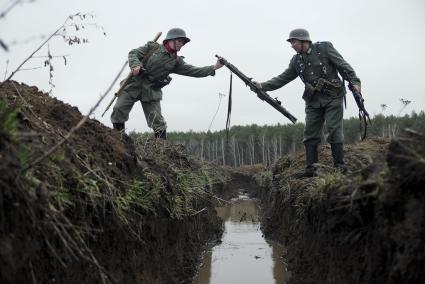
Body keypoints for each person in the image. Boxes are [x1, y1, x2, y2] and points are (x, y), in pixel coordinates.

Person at [253, 28, 361, 177]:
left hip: (333, 97)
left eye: (294, 42)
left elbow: (343, 66)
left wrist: (355, 82)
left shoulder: (324, 48)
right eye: (291, 42)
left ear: (305, 41)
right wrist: (263, 86)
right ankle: (311, 169)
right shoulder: (296, 61)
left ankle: (339, 166)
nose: (292, 45)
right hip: (313, 100)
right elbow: (283, 78)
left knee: (334, 129)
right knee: (310, 133)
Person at [111, 28, 224, 139]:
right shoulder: (152, 47)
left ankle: (161, 149)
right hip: (134, 84)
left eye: (183, 42)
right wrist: (136, 64)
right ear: (170, 40)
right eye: (179, 41)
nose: (181, 44)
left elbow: (194, 71)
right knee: (119, 109)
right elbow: (133, 53)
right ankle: (119, 140)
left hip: (151, 91)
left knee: (157, 122)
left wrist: (214, 67)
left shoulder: (176, 61)